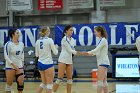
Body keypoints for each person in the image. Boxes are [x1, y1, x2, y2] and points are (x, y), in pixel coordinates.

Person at [53, 25, 87, 93]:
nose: (72, 31)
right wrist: (81, 53)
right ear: (66, 31)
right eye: (70, 30)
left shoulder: (73, 40)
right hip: (62, 60)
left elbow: (73, 51)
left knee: (70, 79)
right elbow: (70, 50)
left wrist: (83, 53)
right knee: (59, 79)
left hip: (69, 60)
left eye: (72, 30)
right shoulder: (64, 39)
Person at [35, 26, 58, 93]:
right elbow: (56, 53)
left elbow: (37, 55)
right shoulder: (49, 40)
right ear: (47, 32)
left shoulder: (37, 41)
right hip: (48, 64)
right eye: (49, 31)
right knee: (49, 85)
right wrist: (56, 47)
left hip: (40, 63)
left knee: (43, 83)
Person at [87, 26, 110, 93]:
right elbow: (98, 52)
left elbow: (96, 50)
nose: (94, 33)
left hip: (103, 62)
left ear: (99, 32)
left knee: (100, 81)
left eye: (95, 32)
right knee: (104, 81)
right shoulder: (101, 40)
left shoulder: (103, 40)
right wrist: (91, 54)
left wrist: (88, 52)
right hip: (104, 62)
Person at [4, 28, 24, 93]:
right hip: (10, 66)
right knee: (9, 84)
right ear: (13, 34)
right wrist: (13, 64)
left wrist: (22, 62)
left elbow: (22, 54)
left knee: (21, 82)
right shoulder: (8, 44)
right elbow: (6, 56)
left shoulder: (21, 44)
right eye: (17, 33)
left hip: (19, 66)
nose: (18, 34)